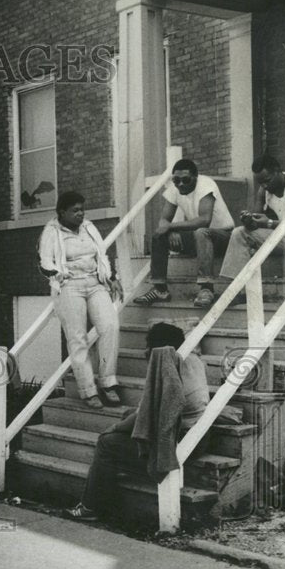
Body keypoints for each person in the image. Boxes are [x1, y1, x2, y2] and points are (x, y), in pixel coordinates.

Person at [68, 322, 210, 521]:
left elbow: (146, 415)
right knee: (127, 415)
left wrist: (112, 429)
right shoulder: (193, 359)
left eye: (149, 346)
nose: (145, 350)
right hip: (198, 434)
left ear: (157, 350)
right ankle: (107, 481)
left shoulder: (168, 372)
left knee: (107, 442)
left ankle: (91, 507)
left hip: (182, 442)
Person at [38, 190, 122, 409]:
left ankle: (108, 382)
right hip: (69, 286)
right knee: (78, 338)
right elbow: (44, 261)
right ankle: (88, 390)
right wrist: (57, 274)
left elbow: (101, 254)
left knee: (110, 326)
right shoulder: (51, 231)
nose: (80, 214)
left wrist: (111, 278)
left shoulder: (88, 227)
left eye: (82, 209)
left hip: (95, 283)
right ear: (61, 212)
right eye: (75, 210)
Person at [133, 159, 235, 309]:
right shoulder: (175, 190)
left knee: (201, 232)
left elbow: (204, 220)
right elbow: (163, 221)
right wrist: (170, 230)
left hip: (223, 238)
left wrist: (172, 226)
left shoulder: (206, 184)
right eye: (176, 180)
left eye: (186, 180)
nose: (180, 184)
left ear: (195, 177)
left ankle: (206, 288)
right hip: (198, 238)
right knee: (159, 236)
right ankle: (160, 290)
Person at [219, 154, 285, 298]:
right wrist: (250, 221)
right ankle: (233, 290)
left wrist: (269, 223)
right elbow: (256, 220)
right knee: (239, 233)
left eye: (267, 181)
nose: (264, 186)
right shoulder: (264, 191)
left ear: (277, 171)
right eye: (260, 183)